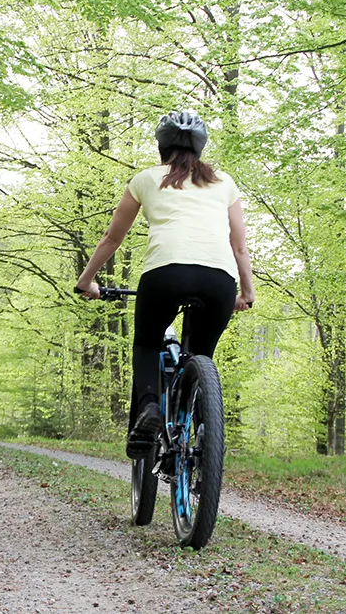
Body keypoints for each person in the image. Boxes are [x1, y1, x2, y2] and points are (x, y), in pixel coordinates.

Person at [75, 111, 255, 458]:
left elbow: (112, 238)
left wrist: (86, 281)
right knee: (201, 355)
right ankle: (205, 436)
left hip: (164, 274)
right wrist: (246, 293)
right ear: (200, 148)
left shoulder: (144, 179)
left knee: (146, 343)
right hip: (219, 279)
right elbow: (239, 248)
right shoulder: (224, 183)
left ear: (161, 146)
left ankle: (150, 406)